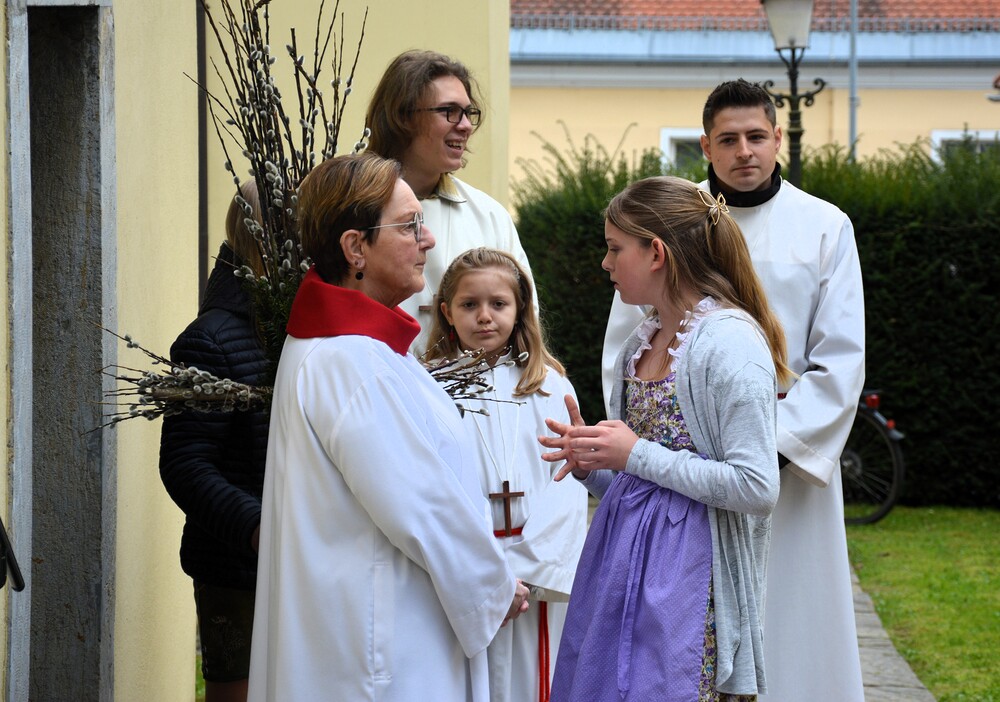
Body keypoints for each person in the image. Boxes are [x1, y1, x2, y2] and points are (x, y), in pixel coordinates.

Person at [602, 79, 866, 702]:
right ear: (705, 146)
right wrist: (658, 449)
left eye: (756, 136)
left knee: (793, 617)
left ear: (777, 138)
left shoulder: (825, 226)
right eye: (728, 139)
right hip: (683, 472)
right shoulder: (669, 221)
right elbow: (628, 346)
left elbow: (840, 357)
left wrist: (767, 447)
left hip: (785, 460)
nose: (744, 151)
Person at [247, 153, 530, 702]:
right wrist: (493, 587)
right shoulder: (351, 361)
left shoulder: (352, 348)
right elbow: (421, 503)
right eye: (409, 226)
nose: (428, 239)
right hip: (380, 640)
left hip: (376, 620)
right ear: (356, 248)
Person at [541, 175, 789, 701]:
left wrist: (635, 453)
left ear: (656, 253)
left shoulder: (730, 345)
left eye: (615, 249)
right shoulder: (642, 341)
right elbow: (641, 487)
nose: (605, 263)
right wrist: (594, 464)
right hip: (622, 571)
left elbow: (757, 486)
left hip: (689, 586)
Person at [424, 247, 588, 702]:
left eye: (498, 303)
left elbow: (568, 482)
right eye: (469, 304)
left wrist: (524, 573)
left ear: (520, 309)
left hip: (532, 578)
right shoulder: (430, 386)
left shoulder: (549, 385)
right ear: (446, 312)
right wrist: (485, 577)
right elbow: (428, 487)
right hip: (467, 572)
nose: (484, 316)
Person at [159, 180, 269, 702]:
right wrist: (257, 528)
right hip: (237, 570)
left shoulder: (302, 329)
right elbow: (186, 465)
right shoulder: (210, 338)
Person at [365, 49, 532, 355]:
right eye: (450, 111)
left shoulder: (490, 216)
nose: (466, 125)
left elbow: (525, 327)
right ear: (403, 117)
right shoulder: (353, 208)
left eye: (469, 113)